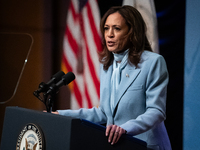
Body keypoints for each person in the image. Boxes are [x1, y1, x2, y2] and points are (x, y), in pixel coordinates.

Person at [53, 5, 171, 150]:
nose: (109, 34)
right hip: (118, 146)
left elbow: (156, 111)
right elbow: (103, 113)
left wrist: (125, 128)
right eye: (106, 28)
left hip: (146, 146)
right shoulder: (106, 65)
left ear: (132, 32)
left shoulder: (153, 62)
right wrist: (60, 115)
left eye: (117, 28)